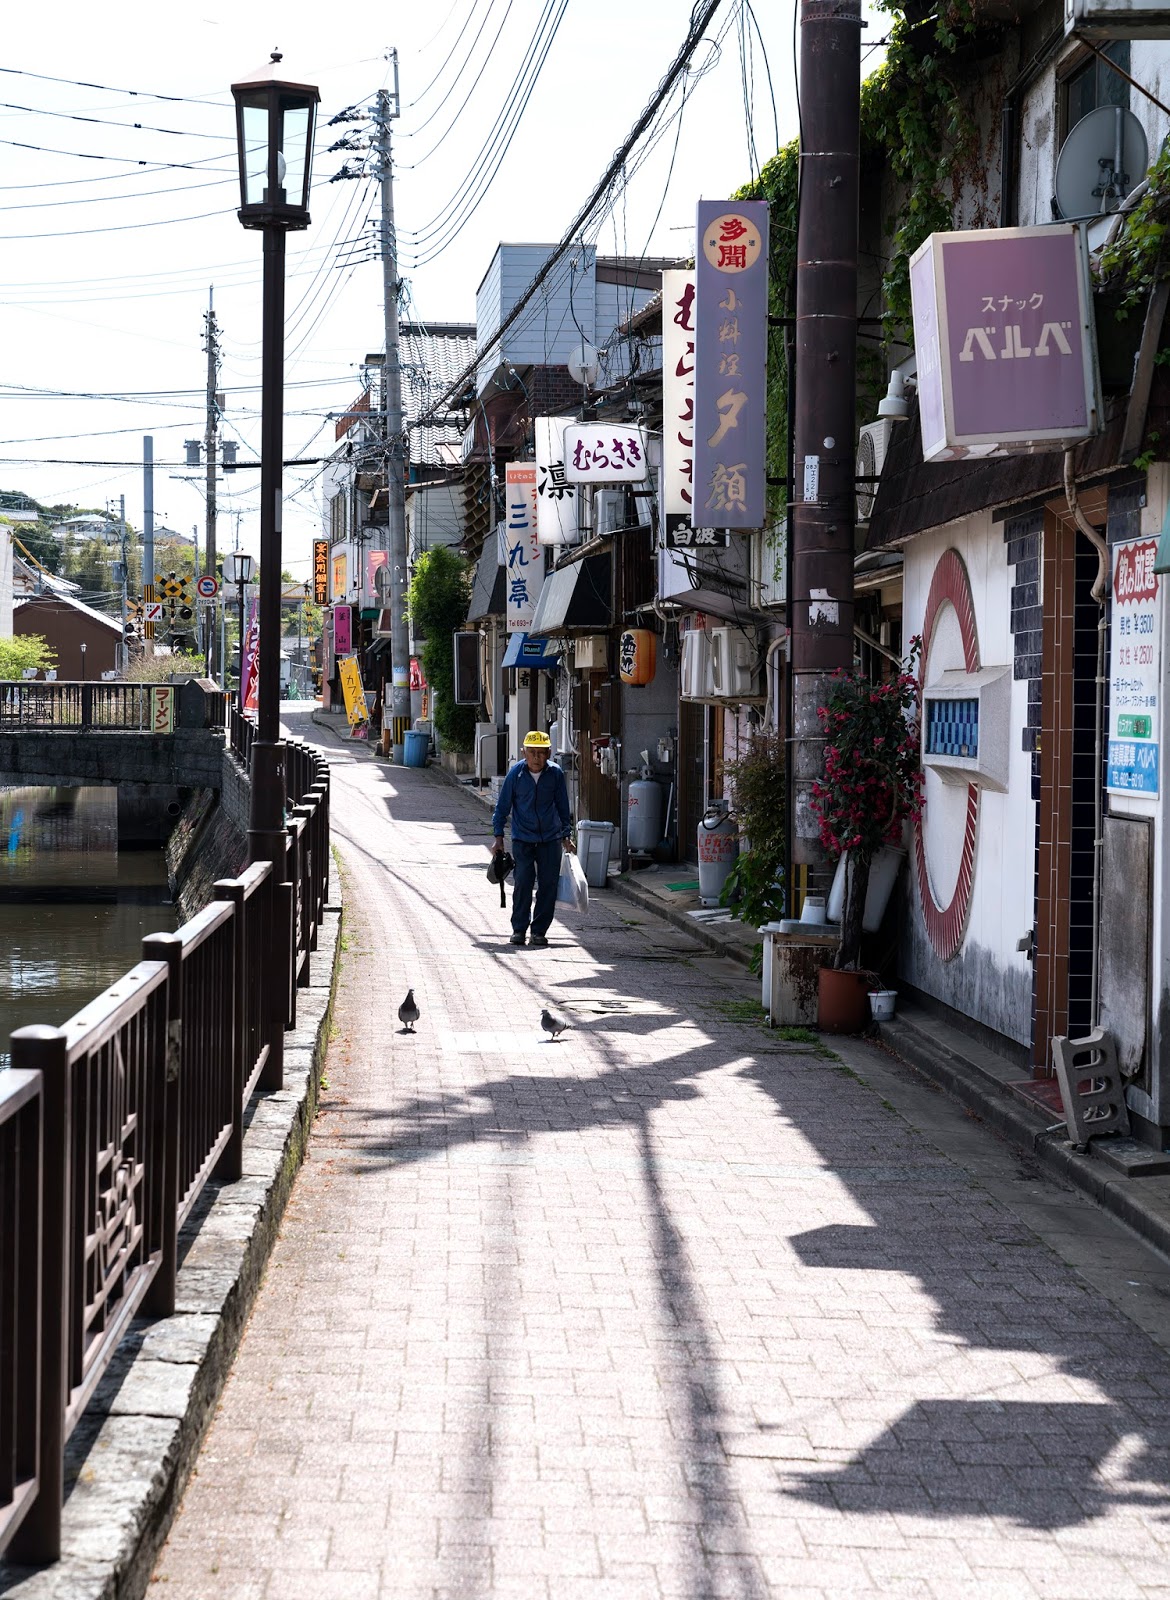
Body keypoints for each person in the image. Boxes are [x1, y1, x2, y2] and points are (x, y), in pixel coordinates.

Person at [491, 730, 576, 948]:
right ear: (523, 753)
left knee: (548, 885)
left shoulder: (555, 774)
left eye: (541, 753)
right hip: (523, 838)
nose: (536, 758)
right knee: (523, 883)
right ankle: (519, 929)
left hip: (550, 838)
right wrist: (498, 837)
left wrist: (567, 835)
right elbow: (502, 807)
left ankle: (539, 931)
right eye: (531, 752)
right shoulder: (516, 774)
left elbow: (563, 807)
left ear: (549, 753)